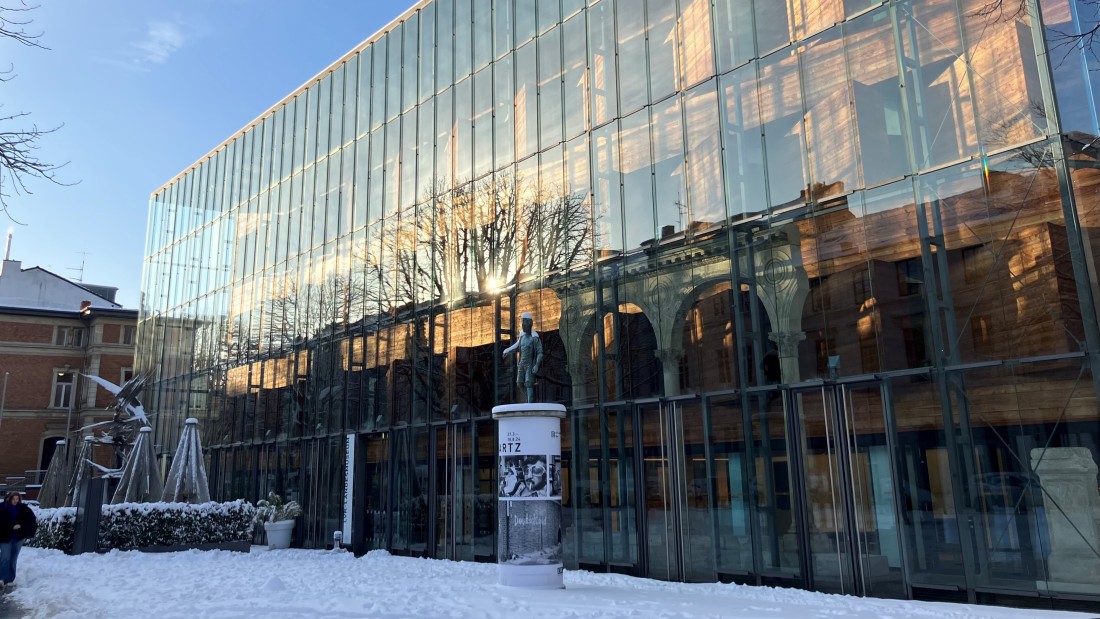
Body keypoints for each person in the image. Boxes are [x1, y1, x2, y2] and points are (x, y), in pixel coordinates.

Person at [502, 312, 543, 403]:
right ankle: (529, 399)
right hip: (521, 363)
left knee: (528, 383)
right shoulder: (522, 337)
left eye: (525, 322)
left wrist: (536, 365)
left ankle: (530, 403)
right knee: (519, 383)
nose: (523, 324)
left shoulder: (534, 338)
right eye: (522, 322)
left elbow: (540, 352)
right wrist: (507, 351)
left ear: (530, 323)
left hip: (529, 364)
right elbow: (516, 346)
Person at [0, 492, 37, 587]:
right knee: (5, 557)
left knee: (13, 558)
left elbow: (31, 520)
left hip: (18, 537)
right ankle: (2, 578)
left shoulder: (24, 509)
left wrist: (21, 525)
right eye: (13, 499)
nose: (15, 501)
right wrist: (10, 527)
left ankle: (10, 579)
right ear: (8, 499)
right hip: (5, 537)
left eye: (17, 499)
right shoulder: (2, 508)